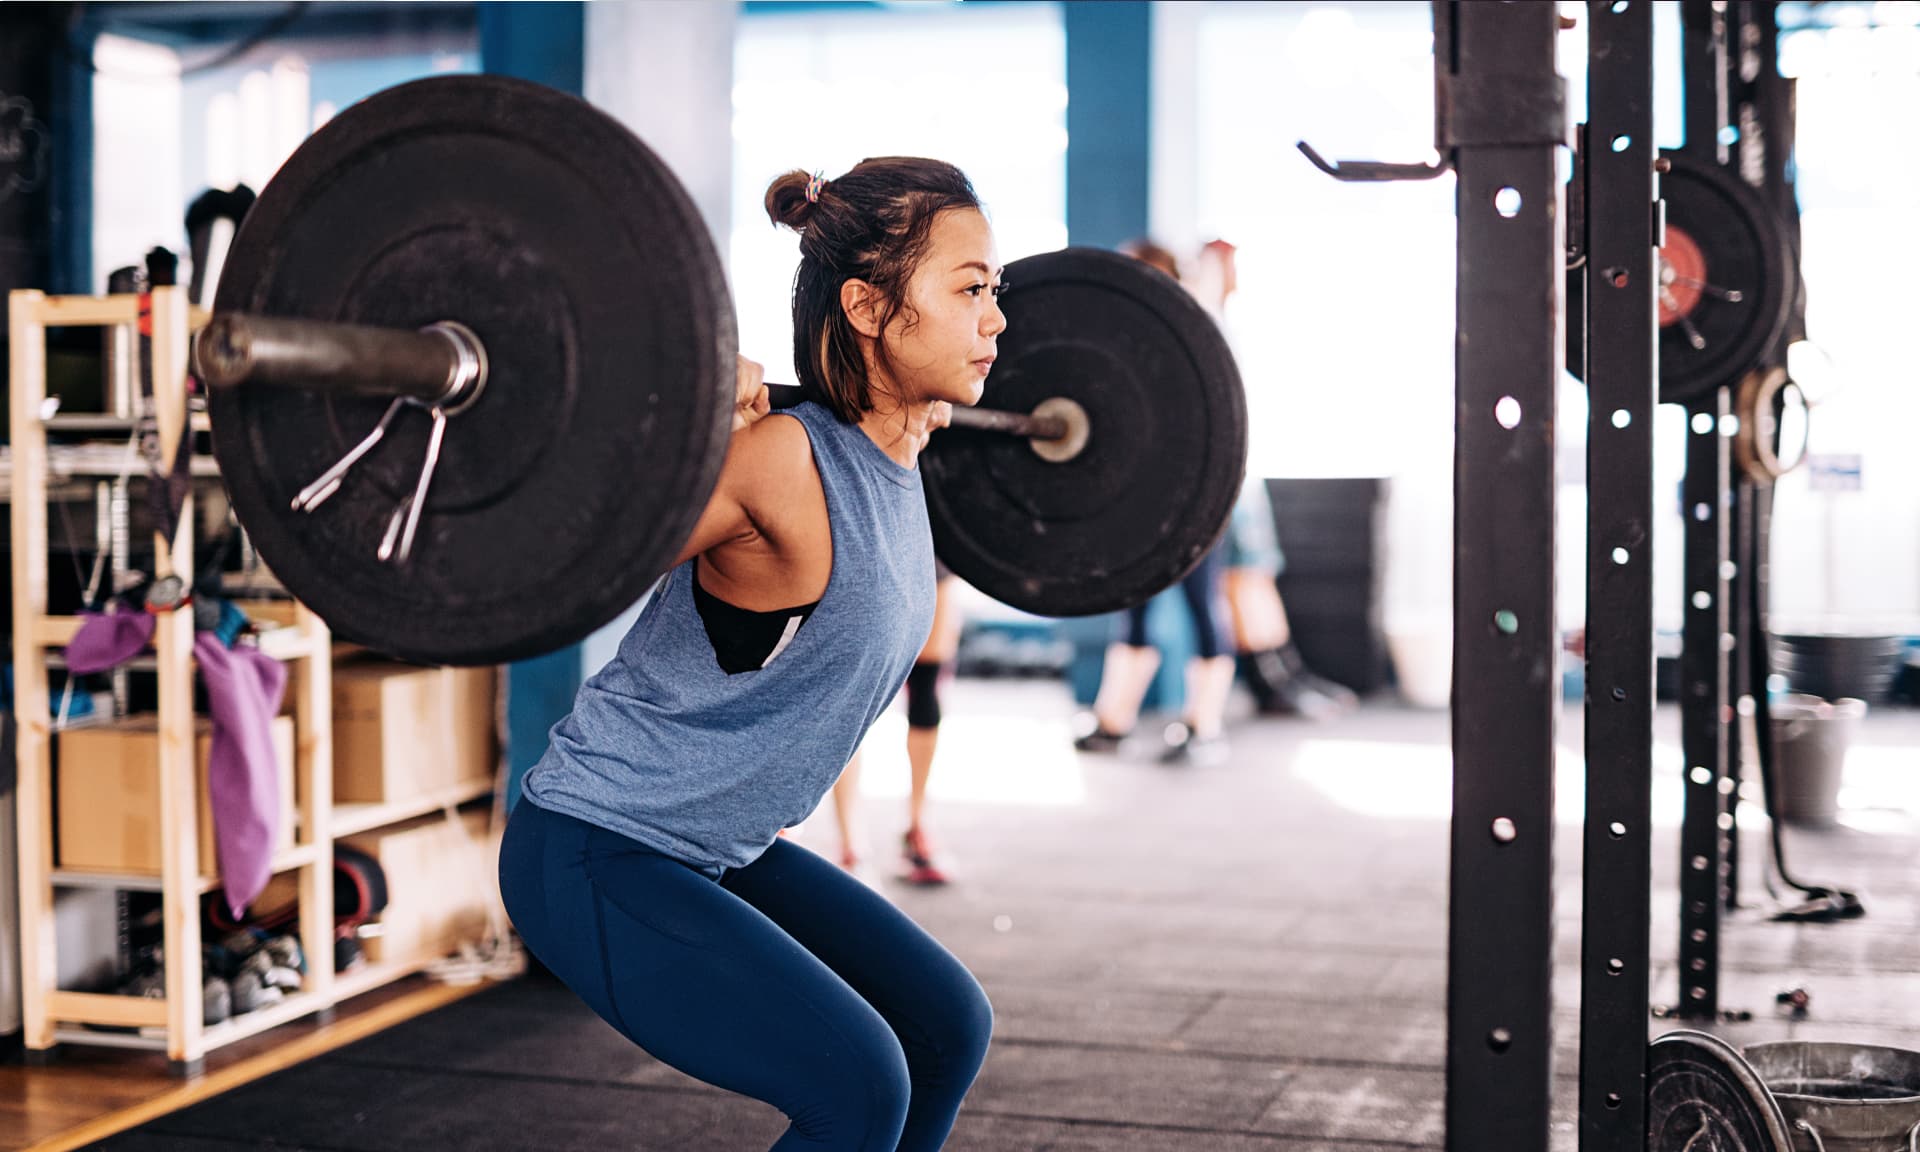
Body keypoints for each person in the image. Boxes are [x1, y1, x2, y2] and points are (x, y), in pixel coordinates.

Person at [499, 158, 999, 1152]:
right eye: (972, 288)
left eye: (998, 291)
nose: (995, 320)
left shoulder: (899, 454)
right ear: (867, 304)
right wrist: (678, 419)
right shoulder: (778, 460)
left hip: (715, 847)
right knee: (859, 1084)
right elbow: (553, 551)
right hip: (599, 845)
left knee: (945, 1027)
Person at [1073, 239, 1237, 764]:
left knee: (1202, 608)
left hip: (1198, 501)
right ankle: (1113, 721)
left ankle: (1204, 726)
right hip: (1140, 504)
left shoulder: (1198, 335)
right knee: (1136, 613)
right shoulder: (1123, 339)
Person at [1187, 239, 1357, 719]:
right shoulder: (1200, 316)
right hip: (1220, 474)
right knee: (1241, 576)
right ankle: (1270, 681)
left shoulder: (1223, 321)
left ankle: (1283, 674)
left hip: (1240, 468)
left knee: (1255, 571)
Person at [830, 563, 963, 884]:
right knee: (854, 691)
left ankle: (917, 826)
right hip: (866, 556)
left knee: (926, 685)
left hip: (936, 551)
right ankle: (851, 845)